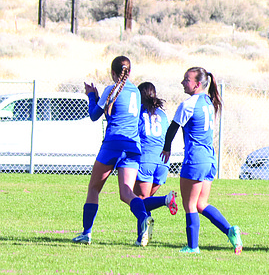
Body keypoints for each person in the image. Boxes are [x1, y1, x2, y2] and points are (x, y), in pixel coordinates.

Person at [72, 55, 154, 247]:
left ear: (113, 73)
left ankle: (86, 233)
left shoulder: (112, 89)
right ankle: (143, 218)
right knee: (126, 193)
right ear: (130, 72)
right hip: (133, 147)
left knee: (94, 188)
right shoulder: (136, 91)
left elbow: (94, 116)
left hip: (113, 144)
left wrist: (92, 95)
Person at [161, 67, 242, 255]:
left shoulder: (188, 104)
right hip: (209, 158)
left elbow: (173, 128)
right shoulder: (208, 101)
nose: (182, 82)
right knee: (201, 204)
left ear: (197, 84)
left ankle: (193, 246)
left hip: (195, 158)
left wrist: (166, 148)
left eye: (186, 80)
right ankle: (230, 230)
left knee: (189, 204)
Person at [134, 82, 178, 217]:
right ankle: (145, 234)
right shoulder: (162, 114)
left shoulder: (138, 113)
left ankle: (166, 199)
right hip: (163, 162)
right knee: (146, 201)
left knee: (138, 200)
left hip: (145, 160)